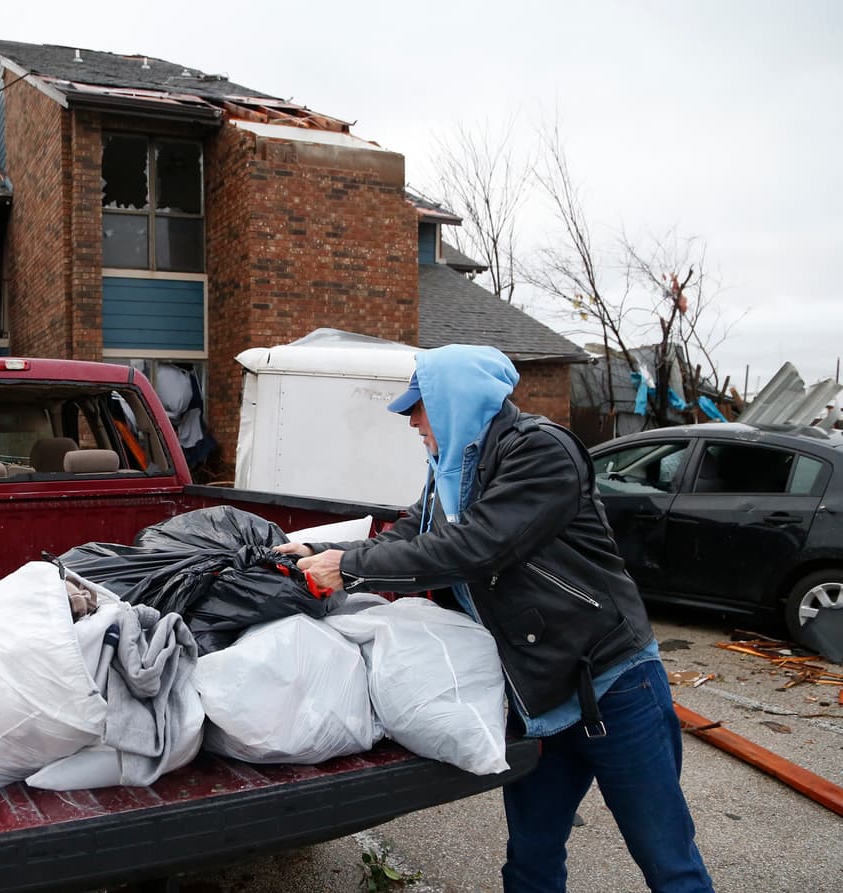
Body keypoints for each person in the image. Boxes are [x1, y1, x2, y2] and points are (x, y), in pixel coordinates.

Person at [275, 344, 713, 893]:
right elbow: (416, 532)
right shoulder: (453, 469)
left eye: (420, 406)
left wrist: (353, 568)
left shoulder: (541, 452)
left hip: (612, 687)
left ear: (458, 400)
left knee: (666, 858)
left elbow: (478, 546)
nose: (411, 421)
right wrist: (320, 549)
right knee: (530, 858)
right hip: (540, 697)